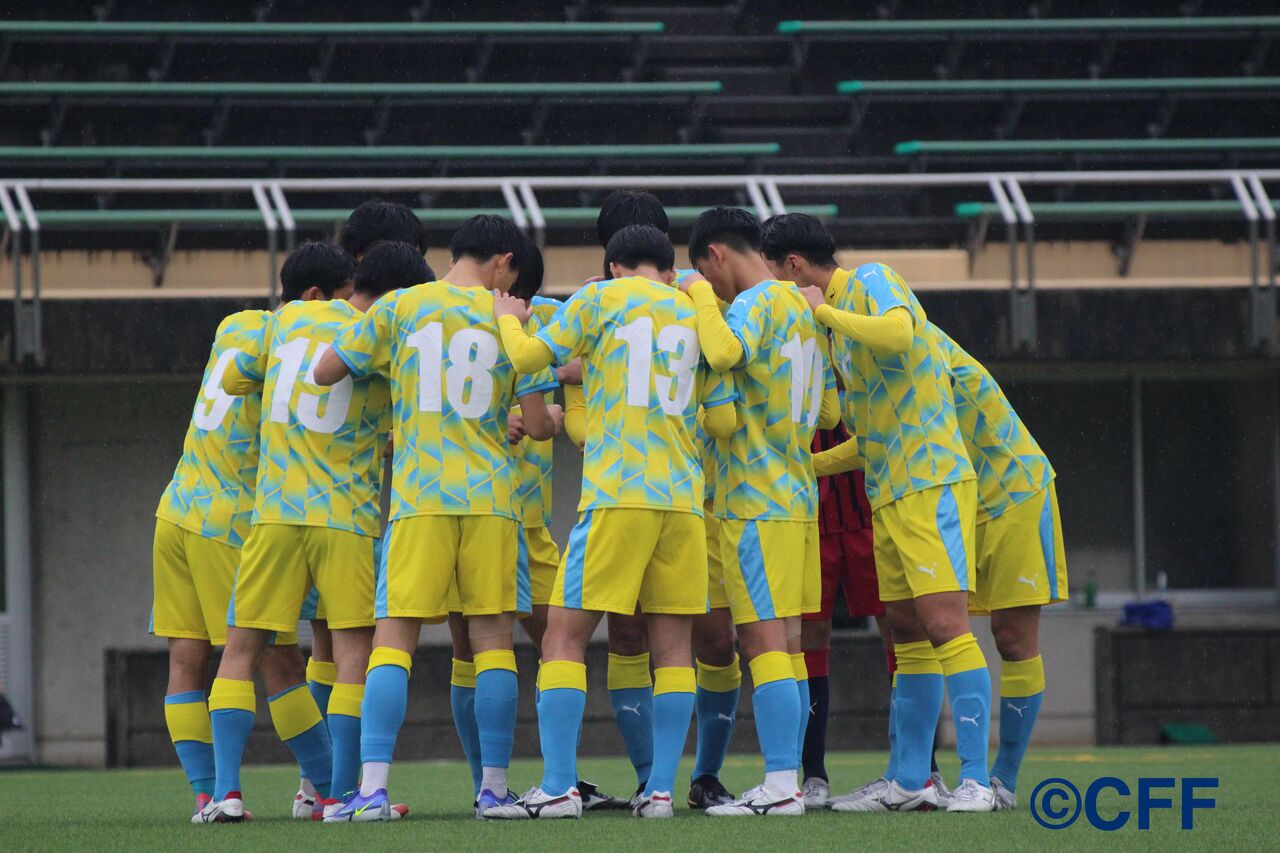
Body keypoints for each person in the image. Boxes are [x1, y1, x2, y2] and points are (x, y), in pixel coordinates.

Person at [484, 224, 737, 820]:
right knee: (674, 651)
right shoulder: (690, 309)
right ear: (665, 266)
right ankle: (660, 793)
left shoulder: (596, 300)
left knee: (564, 636)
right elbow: (721, 406)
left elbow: (526, 358)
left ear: (615, 265)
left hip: (617, 492)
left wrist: (505, 315)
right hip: (681, 499)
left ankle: (558, 787)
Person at [312, 215, 560, 822]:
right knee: (494, 643)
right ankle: (494, 791)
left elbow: (324, 372)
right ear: (502, 261)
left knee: (393, 641)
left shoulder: (401, 307)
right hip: (491, 502)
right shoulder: (513, 319)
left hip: (420, 497)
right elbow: (541, 421)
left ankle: (370, 790)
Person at [763, 212, 994, 812]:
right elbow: (865, 438)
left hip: (931, 480)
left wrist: (825, 313)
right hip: (888, 490)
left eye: (778, 276)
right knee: (910, 634)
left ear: (793, 266)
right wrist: (804, 467)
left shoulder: (872, 282)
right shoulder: (837, 337)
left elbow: (901, 336)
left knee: (947, 625)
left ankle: (975, 779)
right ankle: (910, 781)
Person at [195, 242, 427, 824]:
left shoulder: (284, 321)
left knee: (239, 649)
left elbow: (233, 377)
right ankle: (342, 796)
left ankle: (224, 794)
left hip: (274, 511)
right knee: (354, 653)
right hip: (343, 517)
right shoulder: (371, 330)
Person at [678, 207, 840, 816]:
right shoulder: (804, 309)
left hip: (753, 501)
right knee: (791, 648)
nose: (710, 285)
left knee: (763, 642)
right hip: (798, 499)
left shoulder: (755, 303)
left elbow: (721, 354)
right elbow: (826, 415)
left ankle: (779, 785)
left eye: (704, 271)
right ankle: (790, 779)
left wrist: (695, 297)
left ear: (716, 254)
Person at [595, 191, 743, 810]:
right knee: (627, 632)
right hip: (625, 488)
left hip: (700, 492)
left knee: (713, 638)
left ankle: (705, 775)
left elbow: (727, 365)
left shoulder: (700, 298)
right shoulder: (594, 303)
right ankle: (649, 778)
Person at [153, 294, 311, 821]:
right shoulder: (291, 340)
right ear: (313, 297)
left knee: (186, 661)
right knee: (276, 659)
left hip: (176, 507)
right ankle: (329, 793)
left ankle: (205, 794)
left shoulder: (235, 324)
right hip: (229, 518)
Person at [933, 326, 1066, 810]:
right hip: (961, 505)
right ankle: (919, 775)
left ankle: (1003, 779)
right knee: (934, 628)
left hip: (1014, 494)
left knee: (1012, 638)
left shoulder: (906, 338)